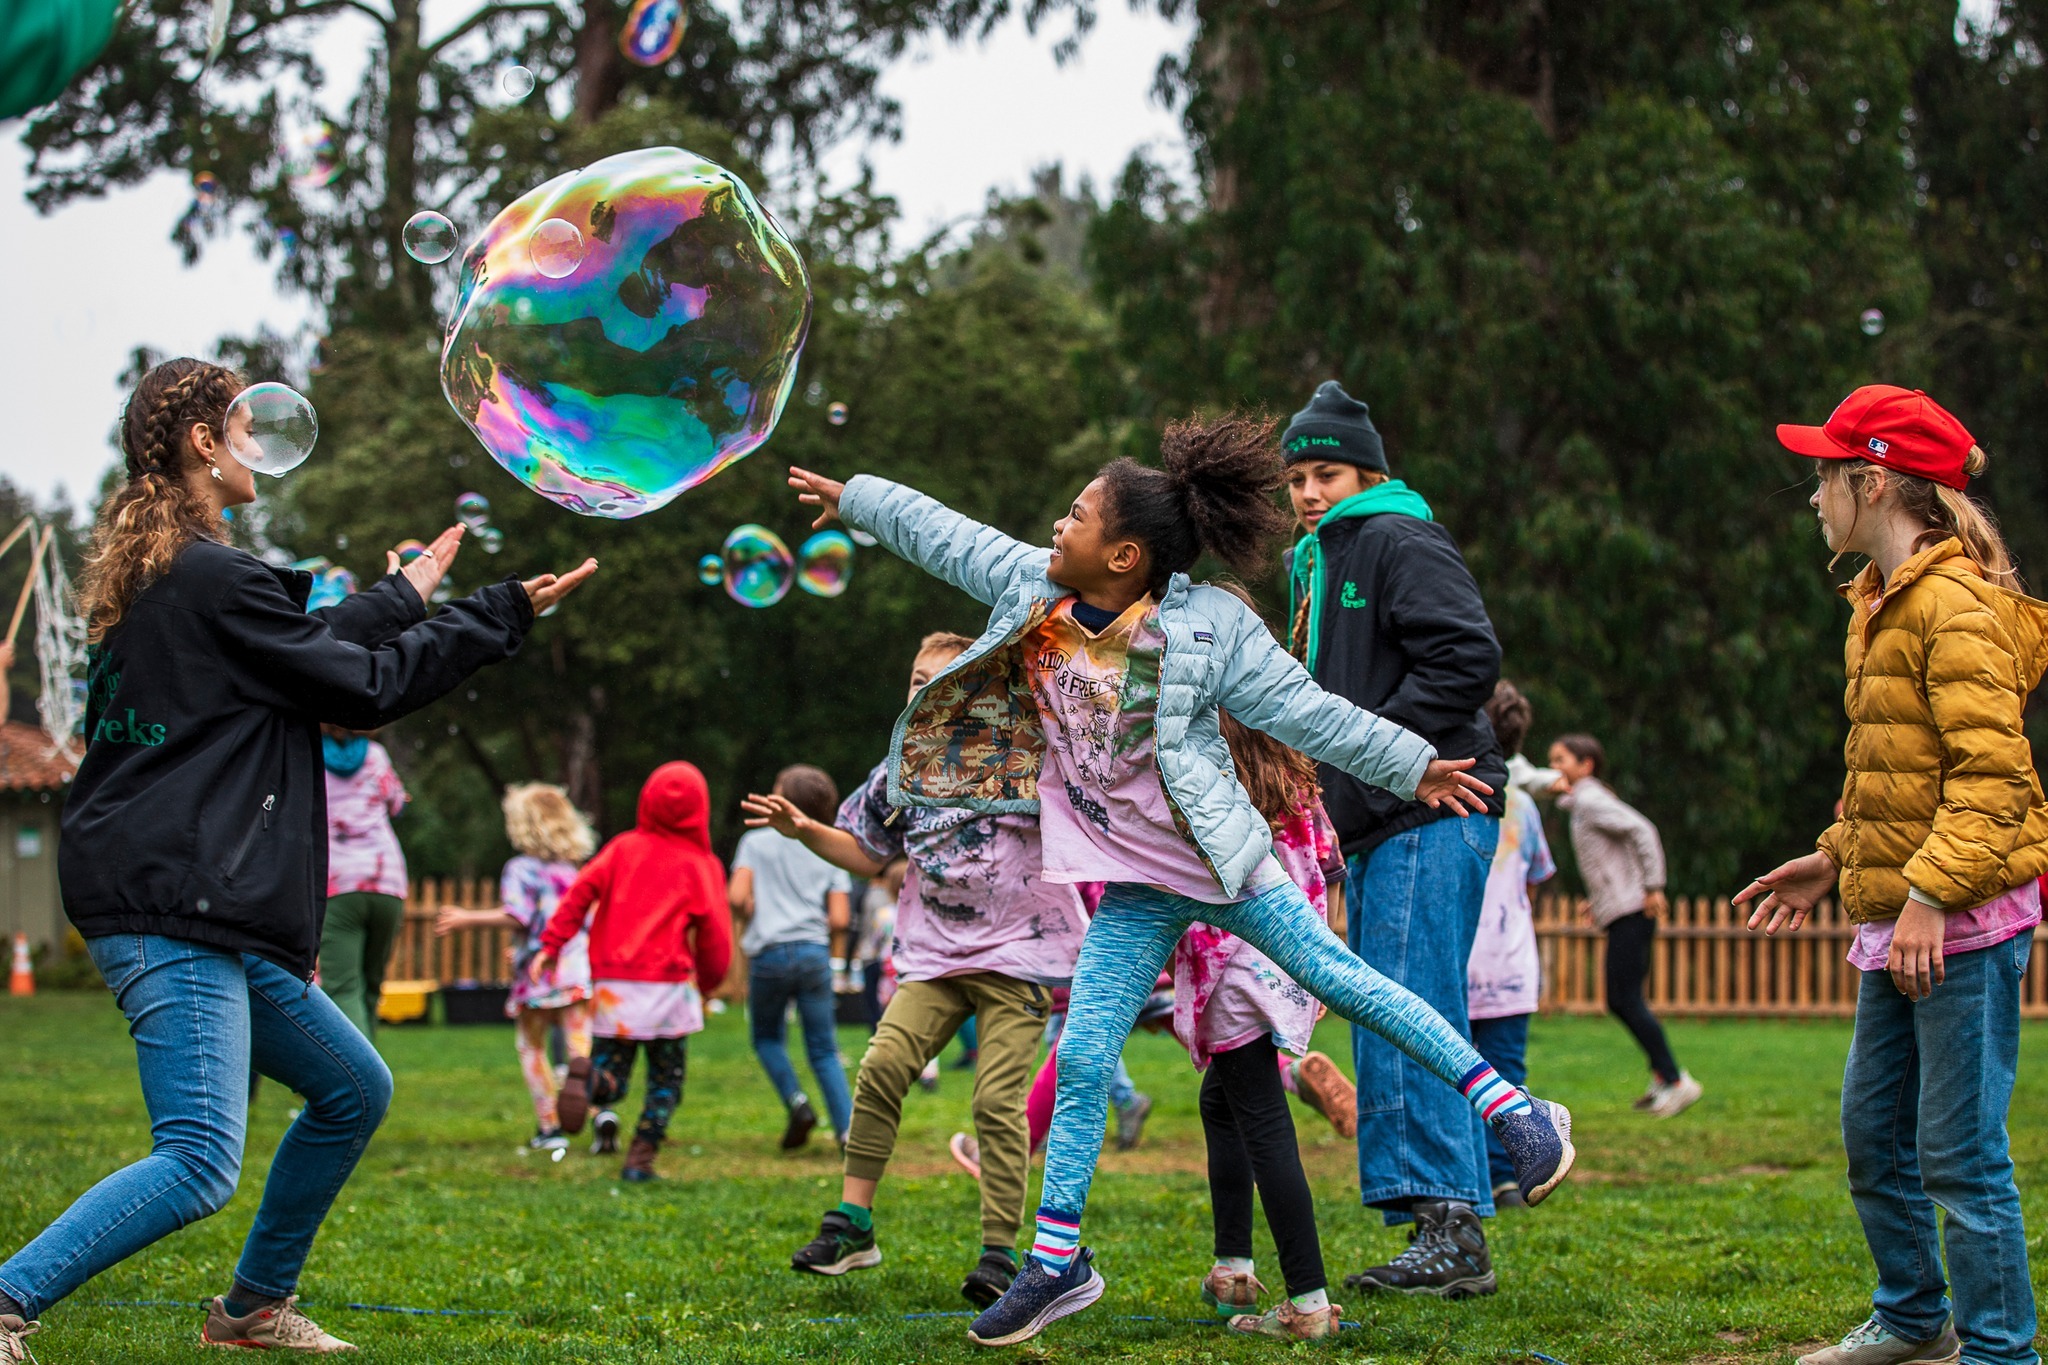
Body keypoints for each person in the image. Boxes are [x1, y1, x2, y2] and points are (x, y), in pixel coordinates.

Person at [785, 410, 1573, 1348]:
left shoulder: (1210, 625)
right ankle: (1056, 1262)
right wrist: (859, 499)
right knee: (1081, 1061)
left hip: (1225, 864)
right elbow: (947, 533)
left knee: (1346, 981)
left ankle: (1520, 1116)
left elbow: (1310, 712)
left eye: (1075, 515)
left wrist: (1415, 764)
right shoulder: (1028, 592)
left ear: (1122, 555)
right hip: (1137, 881)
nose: (1055, 527)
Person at [0, 357, 595, 1360]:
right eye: (239, 422)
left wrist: (404, 597)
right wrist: (493, 620)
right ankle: (9, 1298)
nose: (257, 441)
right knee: (196, 1160)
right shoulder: (207, 576)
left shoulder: (180, 577)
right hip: (171, 897)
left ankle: (249, 1311)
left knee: (353, 1086)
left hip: (198, 895)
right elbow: (352, 688)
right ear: (202, 442)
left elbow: (301, 652)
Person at [1739, 384, 2047, 1365]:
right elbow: (1896, 769)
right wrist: (1829, 858)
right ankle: (1914, 1319)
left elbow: (1991, 779)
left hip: (1958, 920)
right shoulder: (1876, 605)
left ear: (1869, 481)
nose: (1812, 497)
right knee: (1873, 1139)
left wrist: (1923, 897)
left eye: (1822, 476)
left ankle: (2000, 1353)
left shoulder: (1948, 605)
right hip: (1902, 914)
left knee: (1958, 1158)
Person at [744, 630, 1091, 1308]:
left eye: (938, 678)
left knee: (996, 1102)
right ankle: (854, 1224)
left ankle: (1000, 1252)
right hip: (934, 958)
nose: (921, 689)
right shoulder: (901, 767)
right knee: (880, 1068)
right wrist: (805, 831)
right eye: (914, 678)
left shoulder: (1027, 755)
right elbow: (867, 852)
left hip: (1016, 958)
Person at [1279, 380, 1511, 1295]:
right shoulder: (1324, 557)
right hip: (1382, 818)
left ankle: (1451, 1226)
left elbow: (1466, 655)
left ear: (1369, 472)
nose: (1306, 491)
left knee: (1413, 1008)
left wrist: (1377, 756)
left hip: (1432, 807)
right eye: (1295, 476)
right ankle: (1438, 1219)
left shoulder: (1394, 536)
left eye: (1325, 472)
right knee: (1393, 1012)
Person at [1179, 704, 1351, 1341]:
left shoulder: (1200, 786)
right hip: (1290, 960)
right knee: (1222, 1104)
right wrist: (1321, 965)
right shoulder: (1294, 783)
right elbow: (1330, 869)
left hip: (1231, 974)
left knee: (1263, 1123)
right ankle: (1233, 1270)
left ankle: (1307, 1303)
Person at [532, 761, 732, 1182]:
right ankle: (640, 1160)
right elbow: (714, 933)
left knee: (615, 1075)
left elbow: (579, 892)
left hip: (615, 987)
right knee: (666, 1079)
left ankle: (591, 1083)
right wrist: (711, 982)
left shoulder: (621, 849)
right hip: (668, 987)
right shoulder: (701, 863)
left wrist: (552, 945)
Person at [434, 783, 598, 1154]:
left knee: (532, 1048)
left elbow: (519, 915)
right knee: (580, 1051)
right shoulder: (572, 870)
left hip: (540, 976)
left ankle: (550, 1125)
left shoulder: (521, 869)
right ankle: (600, 1112)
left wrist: (466, 918)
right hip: (575, 968)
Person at [1548, 733, 1700, 1117]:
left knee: (1624, 998)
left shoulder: (1590, 799)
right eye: (1551, 760)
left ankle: (1676, 1081)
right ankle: (1665, 1077)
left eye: (1561, 759)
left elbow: (1643, 830)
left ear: (1586, 766)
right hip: (1622, 908)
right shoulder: (1583, 802)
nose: (1554, 767)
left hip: (1633, 910)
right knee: (1622, 998)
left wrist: (1653, 887)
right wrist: (1597, 900)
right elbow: (1613, 856)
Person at [731, 765, 856, 1150]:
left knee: (768, 1037)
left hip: (768, 955)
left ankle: (796, 1101)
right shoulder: (831, 844)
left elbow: (735, 898)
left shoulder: (755, 843)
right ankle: (847, 1131)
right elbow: (839, 919)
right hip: (813, 954)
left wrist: (751, 908)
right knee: (823, 1047)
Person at [1467, 682, 1557, 1206]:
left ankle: (1471, 1176)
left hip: (1460, 962)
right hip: (1512, 964)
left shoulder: (1451, 792)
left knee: (1457, 1069)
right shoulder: (1521, 805)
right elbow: (1534, 876)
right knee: (1508, 1073)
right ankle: (1509, 1175)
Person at [317, 724, 409, 1041]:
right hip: (388, 881)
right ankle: (370, 1083)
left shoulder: (309, 753)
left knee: (343, 988)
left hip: (339, 882)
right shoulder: (376, 755)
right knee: (371, 986)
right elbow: (396, 804)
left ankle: (358, 1083)